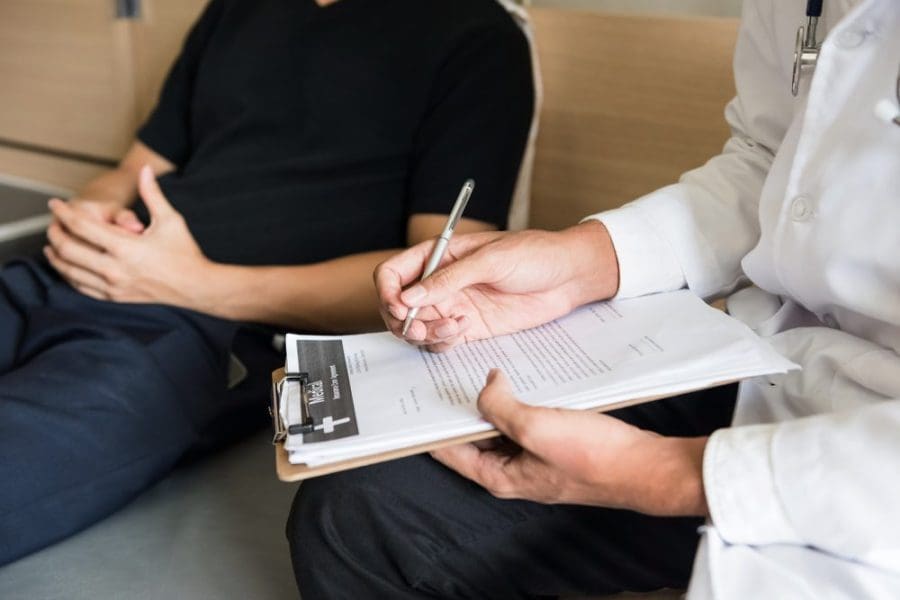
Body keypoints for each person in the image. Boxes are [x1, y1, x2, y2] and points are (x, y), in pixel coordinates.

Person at [288, 0, 900, 597]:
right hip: (772, 361)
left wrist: (662, 475)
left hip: (872, 473)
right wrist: (579, 262)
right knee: (357, 513)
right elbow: (771, 161)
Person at [0, 0, 534, 566]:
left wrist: (194, 284)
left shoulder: (478, 35)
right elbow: (134, 169)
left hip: (200, 337)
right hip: (61, 276)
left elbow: (439, 275)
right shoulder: (236, 9)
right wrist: (91, 218)